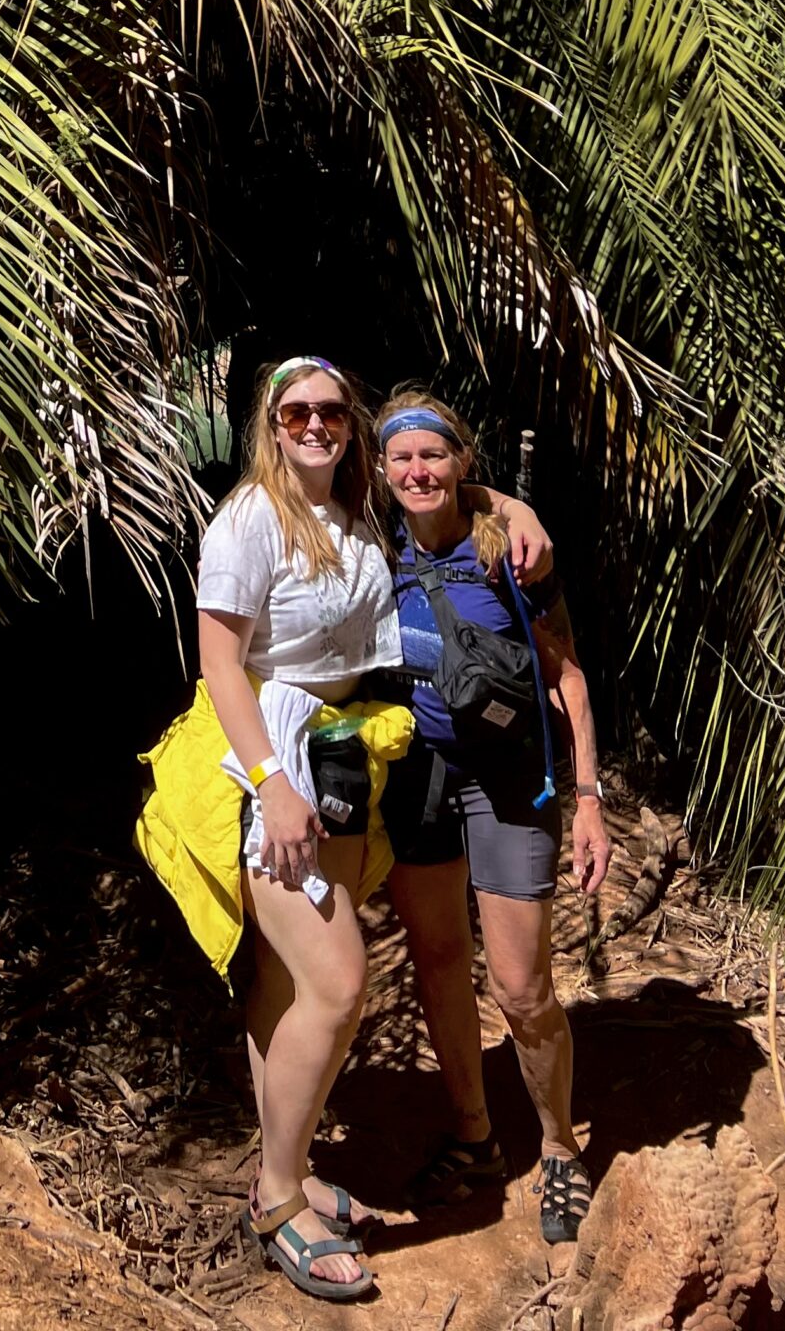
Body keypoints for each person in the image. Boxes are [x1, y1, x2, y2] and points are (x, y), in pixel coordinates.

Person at [195, 356, 553, 1301]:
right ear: (270, 425)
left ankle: (292, 1161)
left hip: (352, 757)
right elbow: (223, 665)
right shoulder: (249, 522)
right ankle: (278, 1201)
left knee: (282, 982)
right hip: (273, 759)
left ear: (350, 428)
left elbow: (444, 484)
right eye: (295, 412)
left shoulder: (359, 510)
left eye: (330, 412)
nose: (314, 424)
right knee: (338, 977)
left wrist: (516, 509)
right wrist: (272, 784)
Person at [372, 390, 612, 1248]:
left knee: (520, 988)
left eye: (433, 456)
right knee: (439, 961)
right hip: (419, 779)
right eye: (401, 458)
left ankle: (559, 1148)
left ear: (462, 463)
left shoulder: (508, 550)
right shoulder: (373, 544)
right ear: (383, 468)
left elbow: (569, 678)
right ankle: (473, 1136)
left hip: (509, 781)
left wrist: (588, 799)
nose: (417, 471)